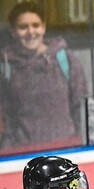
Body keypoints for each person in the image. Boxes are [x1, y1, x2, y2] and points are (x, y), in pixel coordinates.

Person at [0, 2, 88, 150]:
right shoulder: (5, 66)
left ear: (44, 27)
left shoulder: (64, 58)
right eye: (23, 27)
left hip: (66, 149)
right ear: (13, 31)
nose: (30, 32)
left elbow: (81, 105)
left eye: (36, 25)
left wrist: (81, 144)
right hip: (21, 154)